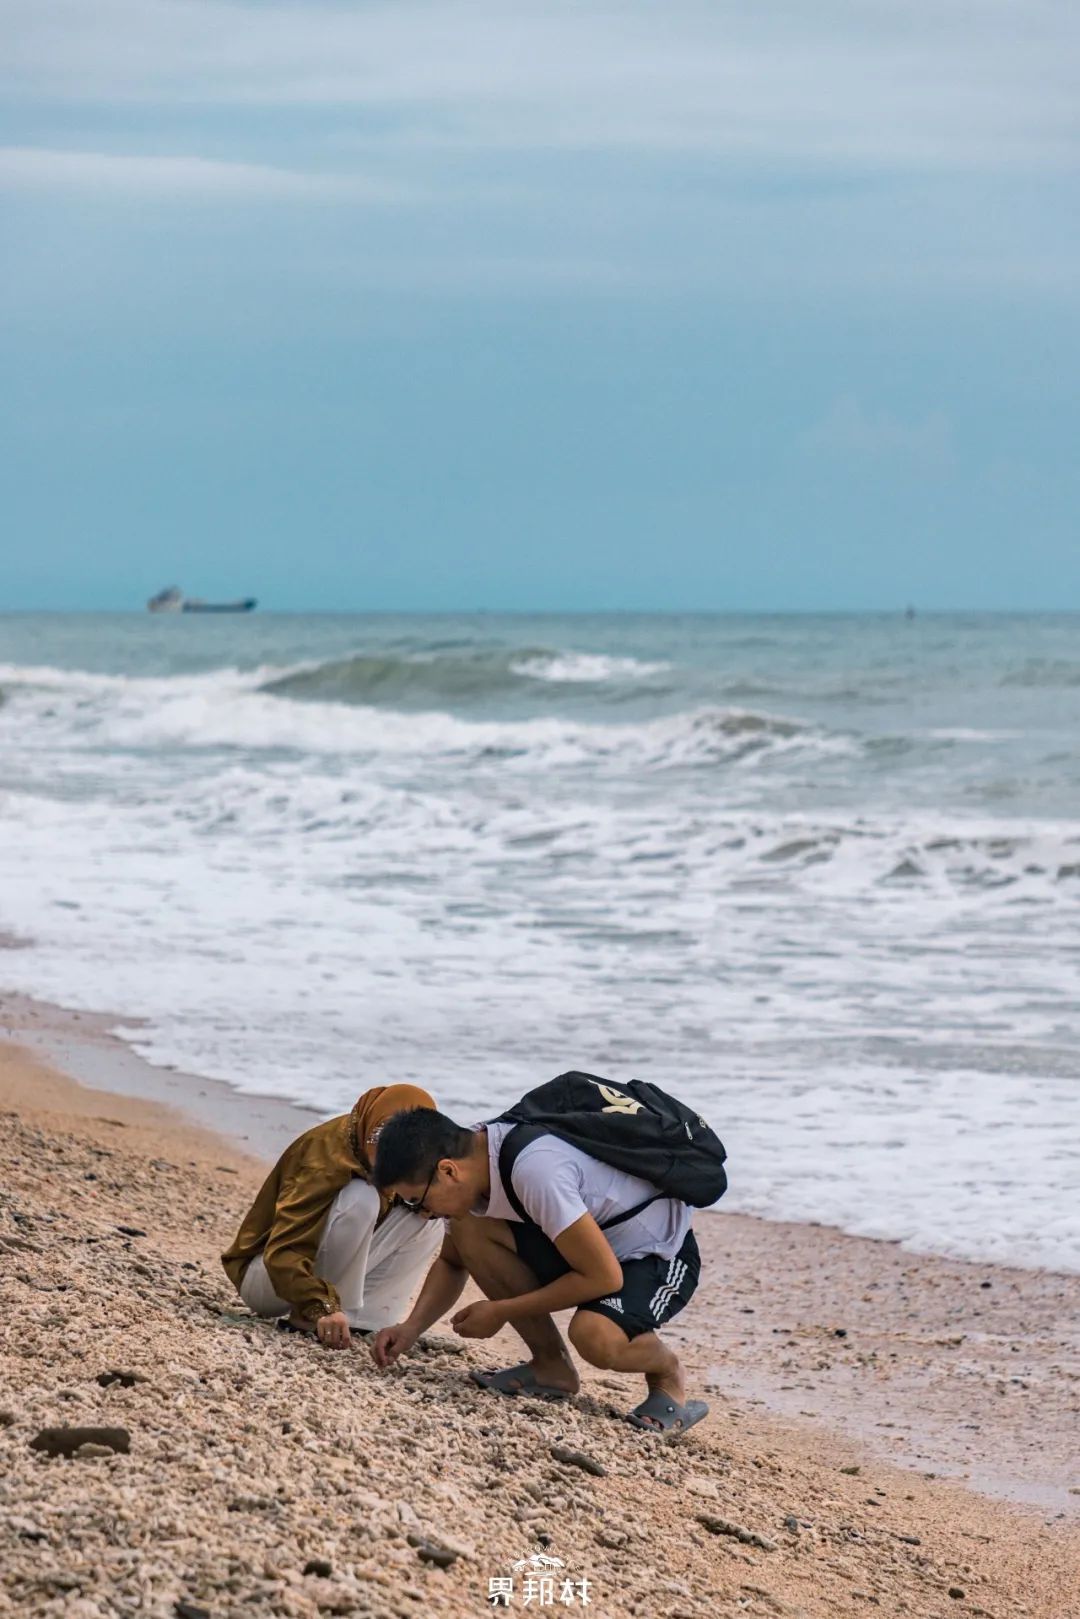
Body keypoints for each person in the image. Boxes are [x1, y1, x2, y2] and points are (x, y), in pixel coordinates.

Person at [369, 1107, 708, 1433]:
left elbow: (603, 1277)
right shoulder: (472, 1155)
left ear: (448, 1171)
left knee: (594, 1336)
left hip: (656, 1252)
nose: (422, 1212)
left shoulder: (536, 1171)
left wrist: (500, 1311)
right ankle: (551, 1366)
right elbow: (452, 1262)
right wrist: (411, 1328)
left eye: (416, 1200)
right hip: (592, 1243)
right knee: (469, 1226)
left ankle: (668, 1374)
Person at [221, 1085, 443, 1350]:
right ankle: (309, 1318)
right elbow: (282, 1252)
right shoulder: (324, 1157)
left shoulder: (410, 1156)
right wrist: (319, 1305)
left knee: (430, 1216)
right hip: (267, 1278)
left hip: (323, 1274)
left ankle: (363, 1319)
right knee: (361, 1198)